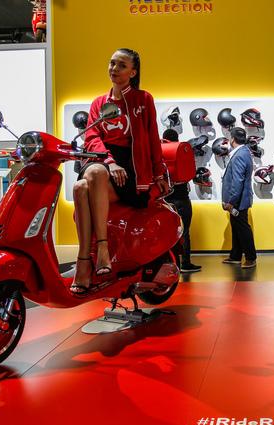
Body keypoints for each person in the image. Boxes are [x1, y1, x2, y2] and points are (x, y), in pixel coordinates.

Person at [71, 48, 169, 294]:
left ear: (133, 72)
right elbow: (91, 136)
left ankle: (87, 260)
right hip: (105, 162)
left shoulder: (143, 99)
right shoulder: (98, 103)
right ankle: (95, 253)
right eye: (112, 63)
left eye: (122, 65)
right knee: (85, 181)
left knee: (82, 186)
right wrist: (110, 161)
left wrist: (159, 173)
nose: (114, 69)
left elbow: (153, 137)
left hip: (133, 169)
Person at [162, 128, 201, 273]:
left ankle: (170, 263)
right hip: (182, 198)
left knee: (167, 232)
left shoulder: (160, 152)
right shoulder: (181, 151)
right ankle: (185, 263)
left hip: (166, 199)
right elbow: (190, 173)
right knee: (184, 231)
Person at [221, 127, 256, 268]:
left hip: (238, 201)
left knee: (242, 228)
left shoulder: (239, 155)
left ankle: (251, 258)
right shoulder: (243, 152)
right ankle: (235, 256)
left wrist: (231, 201)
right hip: (239, 200)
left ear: (232, 139)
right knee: (236, 227)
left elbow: (238, 181)